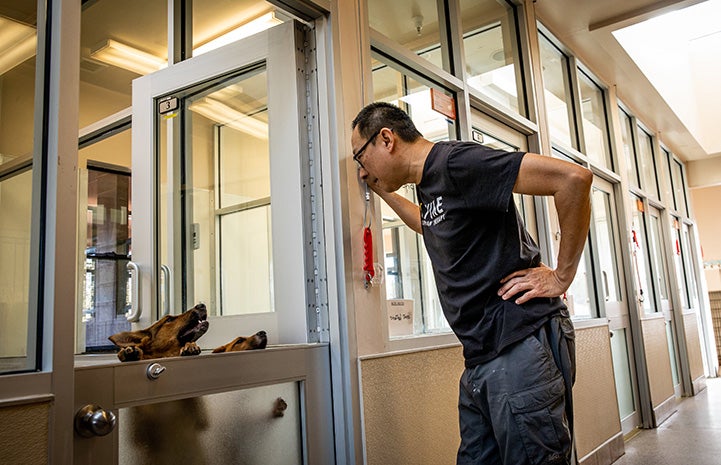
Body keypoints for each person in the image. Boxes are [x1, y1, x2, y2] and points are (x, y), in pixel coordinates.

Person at [351, 102, 592, 465]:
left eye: (360, 154)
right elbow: (426, 222)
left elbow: (573, 180)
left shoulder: (457, 163)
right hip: (483, 357)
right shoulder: (429, 182)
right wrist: (384, 191)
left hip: (517, 342)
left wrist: (562, 276)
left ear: (386, 139)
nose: (360, 165)